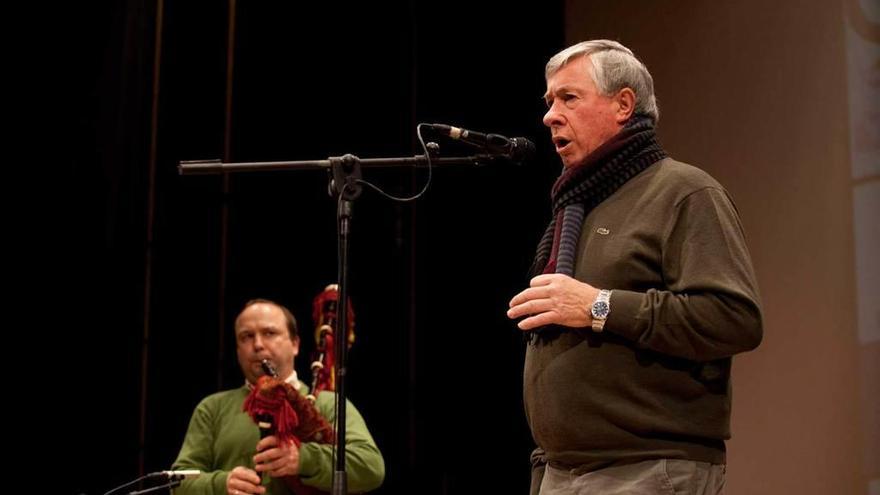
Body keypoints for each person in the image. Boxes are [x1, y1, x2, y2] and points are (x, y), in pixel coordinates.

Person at [507, 40, 763, 495]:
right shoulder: (578, 205)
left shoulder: (684, 192)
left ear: (624, 104)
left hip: (647, 470)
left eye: (568, 97)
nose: (549, 115)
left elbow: (733, 319)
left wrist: (598, 306)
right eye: (549, 102)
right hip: (561, 473)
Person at [172, 298, 385, 494]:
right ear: (237, 350)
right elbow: (178, 483)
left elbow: (371, 468)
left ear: (295, 344)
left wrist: (303, 459)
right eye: (246, 337)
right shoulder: (212, 408)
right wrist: (221, 484)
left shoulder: (328, 402)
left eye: (269, 333)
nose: (257, 345)